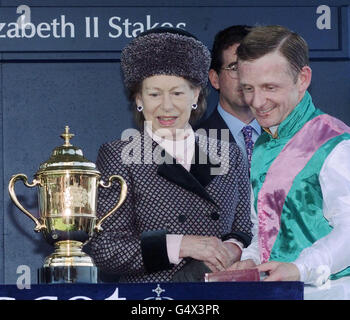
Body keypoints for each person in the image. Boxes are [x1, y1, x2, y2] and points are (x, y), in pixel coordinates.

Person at [89, 27, 253, 282]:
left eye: (177, 93)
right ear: (138, 98)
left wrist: (228, 251)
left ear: (196, 94)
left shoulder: (229, 154)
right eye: (154, 94)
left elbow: (242, 229)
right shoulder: (119, 155)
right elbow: (107, 249)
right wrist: (182, 245)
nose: (166, 106)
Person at [229, 25, 350, 298]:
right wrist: (251, 259)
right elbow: (265, 229)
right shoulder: (264, 143)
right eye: (248, 88)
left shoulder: (335, 143)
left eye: (270, 87)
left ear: (302, 78)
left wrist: (300, 268)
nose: (257, 102)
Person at [196, 25, 261, 171]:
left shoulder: (288, 138)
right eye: (235, 68)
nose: (245, 78)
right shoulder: (194, 144)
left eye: (252, 67)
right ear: (215, 79)